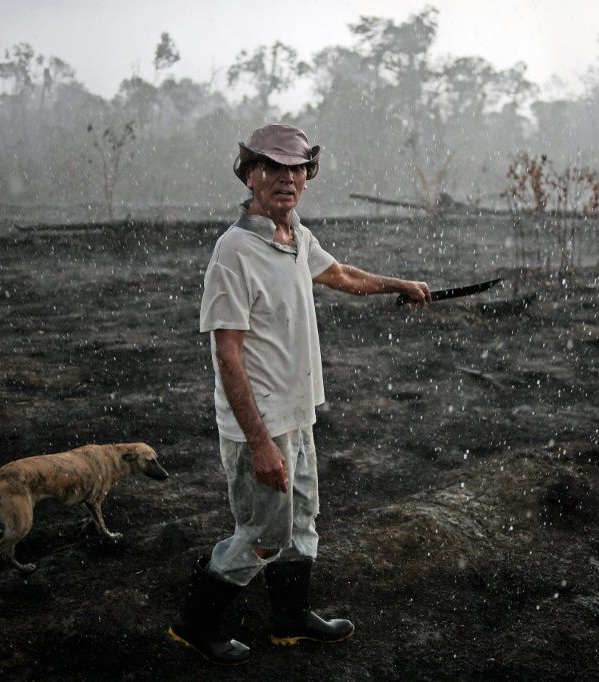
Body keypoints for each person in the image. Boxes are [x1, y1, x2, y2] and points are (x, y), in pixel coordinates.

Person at [168, 123, 431, 665]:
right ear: (250, 176)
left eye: (296, 169)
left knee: (302, 520)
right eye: (272, 168)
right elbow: (227, 355)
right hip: (259, 427)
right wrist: (259, 443)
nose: (286, 178)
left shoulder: (295, 238)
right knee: (263, 533)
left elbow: (341, 275)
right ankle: (195, 624)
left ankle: (290, 618)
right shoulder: (233, 252)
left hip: (298, 417)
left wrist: (398, 285)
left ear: (307, 178)